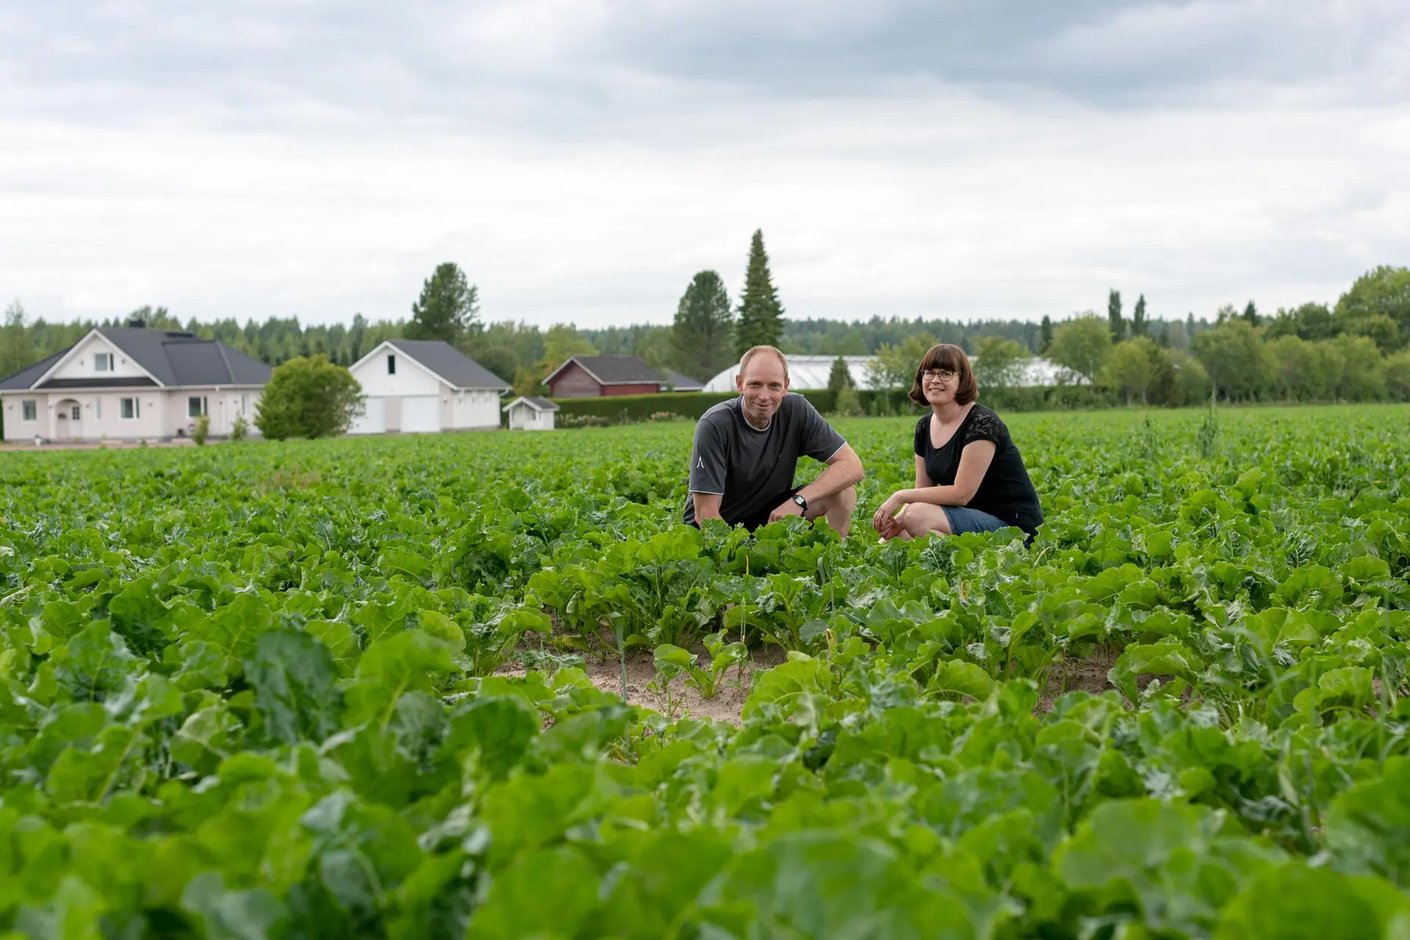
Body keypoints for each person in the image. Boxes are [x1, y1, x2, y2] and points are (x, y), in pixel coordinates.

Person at [685, 345, 864, 536]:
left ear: (786, 386)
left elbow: (852, 466)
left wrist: (798, 500)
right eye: (755, 384)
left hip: (770, 518)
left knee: (843, 493)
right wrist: (744, 554)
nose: (764, 396)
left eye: (774, 386)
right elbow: (706, 515)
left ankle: (832, 560)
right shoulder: (715, 424)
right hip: (717, 531)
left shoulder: (797, 411)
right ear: (740, 384)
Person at [872, 343, 1042, 541]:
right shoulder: (924, 427)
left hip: (1012, 527)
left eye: (945, 373)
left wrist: (900, 496)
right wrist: (897, 523)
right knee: (894, 538)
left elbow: (962, 494)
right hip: (968, 518)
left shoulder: (982, 423)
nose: (935, 380)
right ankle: (955, 561)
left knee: (916, 516)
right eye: (929, 373)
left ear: (963, 380)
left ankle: (968, 566)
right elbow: (922, 492)